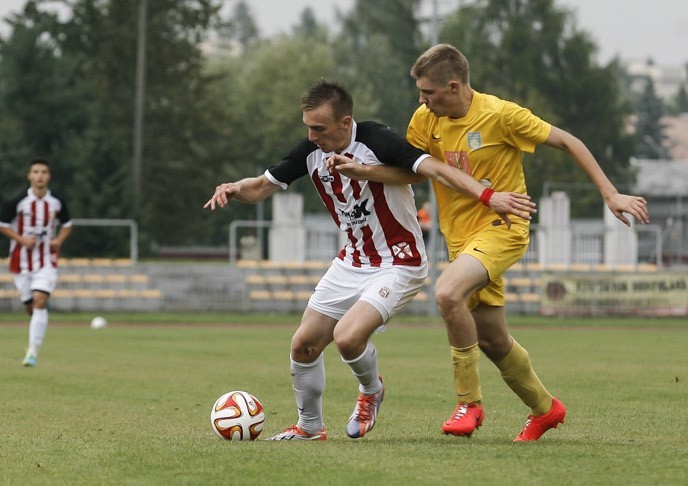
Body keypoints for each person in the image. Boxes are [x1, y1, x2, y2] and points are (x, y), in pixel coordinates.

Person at [335, 44, 650, 442]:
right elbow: (416, 173)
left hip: (504, 228)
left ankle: (469, 403)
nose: (421, 100)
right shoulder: (424, 120)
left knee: (447, 293)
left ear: (453, 86)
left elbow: (569, 142)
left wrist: (610, 194)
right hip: (461, 240)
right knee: (492, 340)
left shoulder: (502, 115)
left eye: (428, 92)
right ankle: (546, 409)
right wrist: (364, 172)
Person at [204, 79, 534, 441]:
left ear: (346, 123)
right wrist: (234, 188)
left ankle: (371, 391)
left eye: (320, 128)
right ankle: (309, 427)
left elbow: (435, 170)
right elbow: (262, 186)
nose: (313, 136)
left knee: (347, 338)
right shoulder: (310, 150)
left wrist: (488, 196)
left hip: (399, 261)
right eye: (308, 128)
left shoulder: (377, 140)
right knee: (303, 345)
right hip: (352, 261)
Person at [0, 158, 73, 367]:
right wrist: (21, 240)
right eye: (36, 171)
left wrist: (58, 241)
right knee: (31, 306)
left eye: (44, 172)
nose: (40, 176)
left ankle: (32, 352)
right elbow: (1, 224)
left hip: (47, 260)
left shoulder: (57, 202)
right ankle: (37, 323)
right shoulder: (17, 201)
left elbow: (67, 224)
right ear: (29, 176)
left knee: (40, 301)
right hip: (20, 263)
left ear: (49, 176)